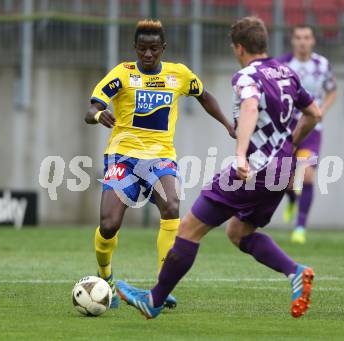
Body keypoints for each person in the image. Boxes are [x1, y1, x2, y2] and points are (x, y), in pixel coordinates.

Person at [115, 17, 321, 319]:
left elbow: (250, 106)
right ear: (263, 42)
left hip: (254, 168)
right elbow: (313, 113)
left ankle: (154, 300)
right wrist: (290, 143)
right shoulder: (286, 72)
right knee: (239, 230)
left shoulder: (246, 76)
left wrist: (241, 154)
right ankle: (295, 272)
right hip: (283, 168)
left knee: (188, 229)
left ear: (239, 48)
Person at [85, 19, 235, 309]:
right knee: (108, 224)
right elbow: (92, 107)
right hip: (123, 157)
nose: (148, 55)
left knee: (172, 206)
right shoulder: (122, 74)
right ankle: (106, 275)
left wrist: (228, 125)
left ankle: (162, 285)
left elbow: (204, 96)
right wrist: (96, 115)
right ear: (135, 49)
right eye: (142, 49)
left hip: (161, 158)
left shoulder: (178, 74)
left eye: (154, 49)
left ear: (163, 48)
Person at [277, 25, 337, 244]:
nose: (303, 41)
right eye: (299, 37)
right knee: (284, 179)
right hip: (286, 128)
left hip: (311, 129)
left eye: (307, 37)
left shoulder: (322, 65)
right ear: (292, 41)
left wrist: (321, 112)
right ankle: (292, 198)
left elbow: (333, 90)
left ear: (313, 41)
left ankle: (300, 227)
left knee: (307, 174)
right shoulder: (282, 65)